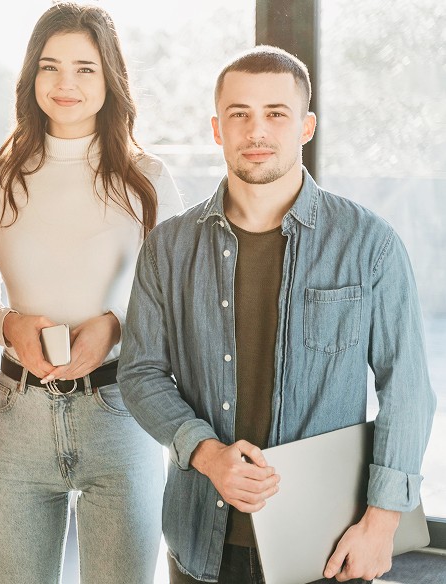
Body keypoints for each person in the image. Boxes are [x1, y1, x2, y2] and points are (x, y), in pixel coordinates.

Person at [117, 45, 436, 584]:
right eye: (239, 114)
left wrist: (383, 521)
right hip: (199, 542)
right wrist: (207, 453)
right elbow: (140, 373)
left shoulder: (369, 244)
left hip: (328, 547)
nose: (256, 131)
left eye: (276, 114)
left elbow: (407, 389)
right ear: (217, 129)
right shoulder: (168, 247)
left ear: (306, 126)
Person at [0, 3, 184, 583]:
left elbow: (173, 299)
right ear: (30, 77)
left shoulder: (148, 179)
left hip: (122, 411)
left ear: (111, 79)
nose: (66, 84)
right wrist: (7, 325)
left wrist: (114, 323)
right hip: (18, 415)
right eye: (50, 66)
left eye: (85, 68)